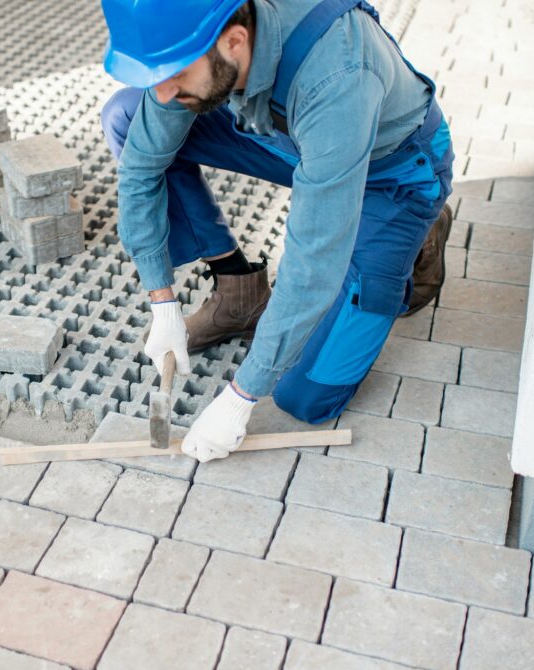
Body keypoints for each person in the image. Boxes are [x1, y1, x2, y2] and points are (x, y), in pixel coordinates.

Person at [100, 0, 454, 462]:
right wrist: (160, 299)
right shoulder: (200, 40)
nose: (163, 94)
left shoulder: (339, 73)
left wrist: (241, 397)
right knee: (129, 116)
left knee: (305, 398)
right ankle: (238, 292)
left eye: (174, 75)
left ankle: (415, 237)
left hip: (391, 177)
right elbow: (142, 165)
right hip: (297, 140)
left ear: (234, 41)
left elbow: (312, 263)